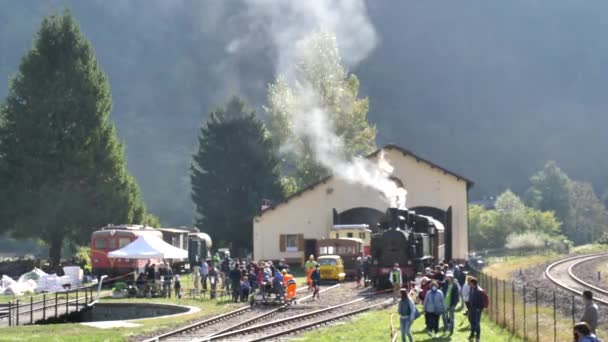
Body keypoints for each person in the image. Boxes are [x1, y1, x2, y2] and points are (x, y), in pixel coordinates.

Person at [468, 277, 484, 342]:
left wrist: (478, 309)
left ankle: (478, 337)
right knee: (471, 321)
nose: (469, 284)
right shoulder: (471, 288)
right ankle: (472, 334)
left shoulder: (479, 291)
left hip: (477, 310)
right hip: (471, 308)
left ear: (473, 283)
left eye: (470, 283)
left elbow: (481, 302)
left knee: (477, 323)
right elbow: (470, 298)